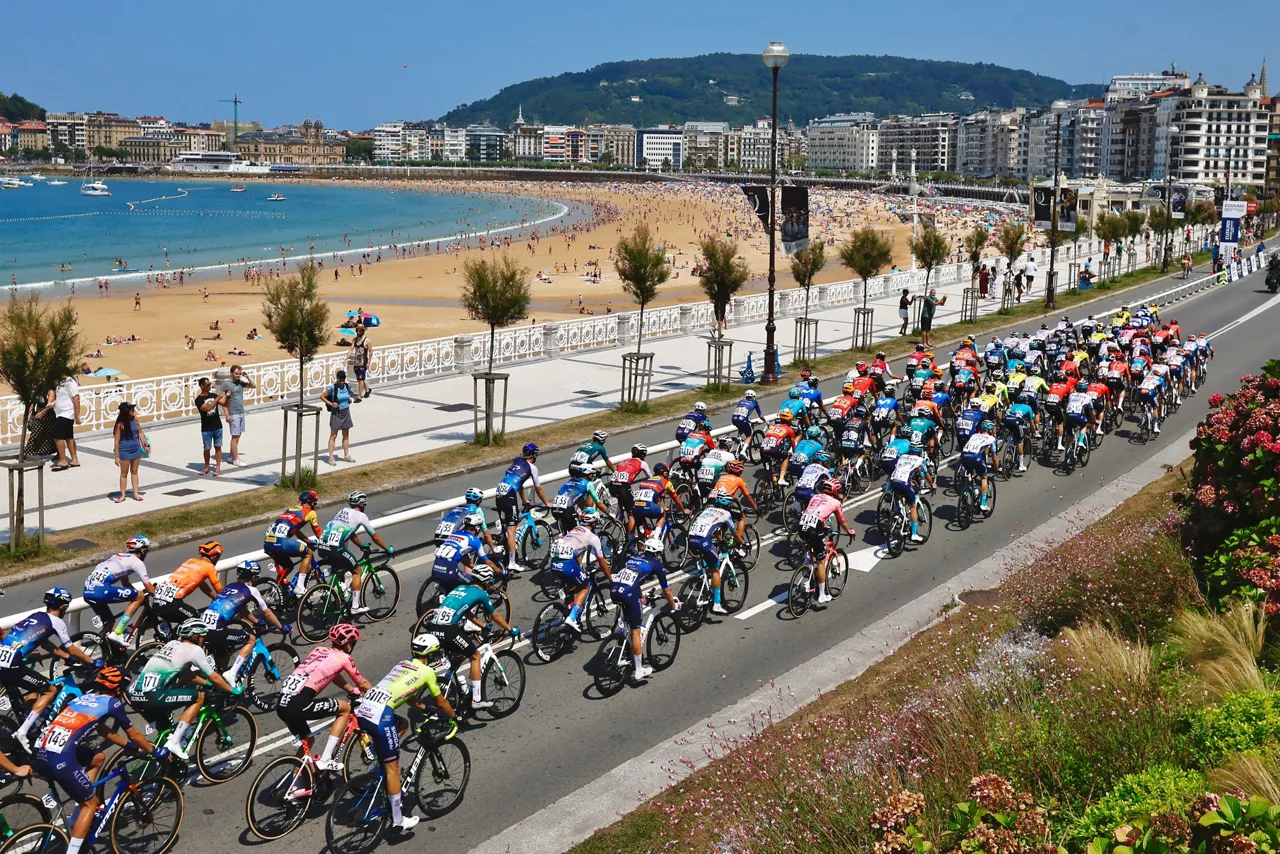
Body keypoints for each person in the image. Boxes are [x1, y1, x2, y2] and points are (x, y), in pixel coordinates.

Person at [33, 667, 164, 854]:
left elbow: (103, 730)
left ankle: (77, 816)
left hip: (42, 752)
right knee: (92, 804)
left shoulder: (83, 698)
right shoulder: (112, 703)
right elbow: (135, 734)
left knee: (97, 758)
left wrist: (126, 746)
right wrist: (154, 751)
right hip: (60, 758)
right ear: (119, 689)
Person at [354, 633, 460, 832]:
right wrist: (454, 716)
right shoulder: (427, 672)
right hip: (380, 716)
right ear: (431, 654)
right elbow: (441, 702)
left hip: (364, 709)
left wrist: (421, 706)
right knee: (393, 768)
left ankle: (378, 767)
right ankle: (398, 819)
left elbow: (406, 691)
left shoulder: (403, 664)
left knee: (401, 724)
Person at [127, 618, 241, 759]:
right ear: (195, 636)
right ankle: (174, 743)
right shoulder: (195, 650)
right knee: (199, 697)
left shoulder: (171, 644)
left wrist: (208, 684)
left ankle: (167, 768)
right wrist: (232, 690)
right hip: (154, 694)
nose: (203, 641)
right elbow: (214, 677)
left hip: (135, 695)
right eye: (202, 637)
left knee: (166, 731)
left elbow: (186, 674)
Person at [1, 588, 101, 745]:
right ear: (62, 607)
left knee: (34, 687)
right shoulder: (57, 622)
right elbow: (72, 647)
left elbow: (44, 642)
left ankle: (29, 720)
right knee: (50, 690)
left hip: (4, 660)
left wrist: (66, 657)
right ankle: (22, 732)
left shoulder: (36, 616)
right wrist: (92, 662)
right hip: (11, 666)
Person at [277, 624, 373, 773]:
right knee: (345, 709)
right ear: (348, 644)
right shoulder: (344, 657)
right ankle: (326, 759)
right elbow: (362, 683)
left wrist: (351, 690)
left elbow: (332, 674)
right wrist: (377, 696)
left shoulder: (319, 650)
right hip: (299, 704)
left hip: (282, 704)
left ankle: (295, 786)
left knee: (307, 741)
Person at [426, 581, 519, 710]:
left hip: (434, 628)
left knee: (459, 654)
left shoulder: (460, 587)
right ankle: (477, 700)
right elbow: (495, 616)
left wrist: (483, 625)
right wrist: (510, 629)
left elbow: (465, 611)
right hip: (449, 630)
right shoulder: (481, 593)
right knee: (475, 655)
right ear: (486, 582)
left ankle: (452, 685)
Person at [203, 560, 289, 685]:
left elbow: (241, 609)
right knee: (251, 639)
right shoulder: (251, 590)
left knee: (224, 654)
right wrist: (281, 627)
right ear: (253, 577)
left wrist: (256, 621)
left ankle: (219, 685)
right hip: (216, 628)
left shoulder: (230, 586)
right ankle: (231, 674)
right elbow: (267, 613)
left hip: (203, 625)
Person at [608, 538, 679, 682]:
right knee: (636, 630)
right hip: (628, 592)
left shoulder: (634, 559)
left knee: (628, 614)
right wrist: (673, 605)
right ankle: (639, 670)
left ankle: (621, 633)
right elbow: (666, 591)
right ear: (657, 553)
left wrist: (641, 596)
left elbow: (634, 579)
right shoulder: (656, 564)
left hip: (614, 590)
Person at [319, 491, 392, 615]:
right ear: (362, 504)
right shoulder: (361, 516)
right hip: (335, 548)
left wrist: (361, 545)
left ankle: (336, 593)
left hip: (322, 546)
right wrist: (386, 548)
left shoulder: (342, 511)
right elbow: (374, 537)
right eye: (365, 504)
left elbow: (351, 533)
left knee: (341, 566)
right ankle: (355, 606)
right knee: (357, 570)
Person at [85, 536, 155, 647]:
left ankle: (107, 650)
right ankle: (118, 632)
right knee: (140, 596)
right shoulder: (137, 562)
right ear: (143, 550)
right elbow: (150, 588)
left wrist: (135, 594)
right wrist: (160, 594)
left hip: (87, 591)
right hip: (101, 590)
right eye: (146, 550)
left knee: (110, 622)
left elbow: (125, 584)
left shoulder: (118, 556)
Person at [549, 509, 611, 632]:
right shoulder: (593, 537)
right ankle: (571, 618)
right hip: (567, 564)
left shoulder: (574, 530)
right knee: (585, 587)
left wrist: (580, 570)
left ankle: (567, 601)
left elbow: (576, 553)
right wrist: (610, 577)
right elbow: (602, 562)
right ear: (593, 523)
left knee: (573, 583)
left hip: (555, 563)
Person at [495, 443, 549, 574]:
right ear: (534, 455)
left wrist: (524, 499)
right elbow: (538, 488)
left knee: (513, 519)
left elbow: (519, 484)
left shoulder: (517, 461)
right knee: (512, 529)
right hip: (509, 495)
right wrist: (546, 502)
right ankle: (512, 563)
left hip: (499, 493)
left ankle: (504, 543)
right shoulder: (532, 468)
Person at [798, 479, 854, 604]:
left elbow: (815, 512)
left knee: (811, 549)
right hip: (814, 528)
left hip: (802, 525)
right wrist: (849, 531)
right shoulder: (835, 502)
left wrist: (823, 526)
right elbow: (842, 521)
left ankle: (806, 566)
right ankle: (822, 595)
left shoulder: (816, 496)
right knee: (821, 562)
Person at [151, 541, 225, 626]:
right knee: (196, 620)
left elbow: (201, 584)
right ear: (215, 557)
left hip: (157, 600)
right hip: (172, 603)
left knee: (185, 623)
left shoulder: (190, 561)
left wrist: (214, 597)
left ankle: (174, 637)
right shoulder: (209, 567)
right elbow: (220, 590)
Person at [265, 491, 324, 596]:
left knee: (288, 566)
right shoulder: (310, 512)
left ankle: (274, 592)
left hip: (268, 542)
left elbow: (295, 530)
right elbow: (317, 532)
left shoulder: (291, 510)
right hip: (282, 542)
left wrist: (308, 541)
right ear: (310, 502)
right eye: (315, 502)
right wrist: (326, 542)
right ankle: (300, 586)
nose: (315, 505)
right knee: (308, 553)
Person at [959, 420, 1000, 510]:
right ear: (990, 430)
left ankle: (965, 495)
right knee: (984, 478)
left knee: (969, 478)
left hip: (964, 456)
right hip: (975, 457)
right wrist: (997, 468)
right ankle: (983, 504)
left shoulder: (974, 435)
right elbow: (994, 457)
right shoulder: (991, 439)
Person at [112, 401, 147, 503]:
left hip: (136, 449)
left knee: (135, 471)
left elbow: (140, 431)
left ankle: (136, 493)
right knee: (124, 473)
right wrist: (117, 456)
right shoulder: (120, 425)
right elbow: (117, 441)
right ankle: (123, 495)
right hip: (124, 451)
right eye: (132, 410)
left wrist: (146, 444)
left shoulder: (135, 419)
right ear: (126, 412)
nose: (134, 411)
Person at [220, 364, 254, 467]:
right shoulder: (226, 384)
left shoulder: (240, 383)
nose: (238, 375)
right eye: (236, 373)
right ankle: (236, 459)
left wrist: (247, 376)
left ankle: (231, 456)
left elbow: (253, 386)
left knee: (238, 435)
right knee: (234, 437)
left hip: (240, 411)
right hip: (233, 412)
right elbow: (222, 401)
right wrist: (226, 414)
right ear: (231, 373)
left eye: (239, 373)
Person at [321, 369, 356, 465]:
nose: (342, 381)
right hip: (336, 413)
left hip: (346, 412)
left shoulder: (347, 386)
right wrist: (331, 404)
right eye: (341, 379)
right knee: (333, 435)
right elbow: (322, 396)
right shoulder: (333, 387)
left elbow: (347, 395)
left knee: (346, 434)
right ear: (337, 379)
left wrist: (349, 400)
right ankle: (331, 457)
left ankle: (346, 455)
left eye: (344, 379)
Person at [195, 376, 228, 476]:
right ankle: (207, 466)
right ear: (202, 386)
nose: (210, 386)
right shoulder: (199, 400)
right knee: (207, 448)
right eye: (208, 385)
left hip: (217, 426)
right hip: (206, 428)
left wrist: (228, 395)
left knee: (218, 447)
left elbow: (223, 402)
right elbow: (208, 408)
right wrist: (217, 398)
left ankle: (217, 467)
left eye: (210, 384)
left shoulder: (213, 395)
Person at [51, 374, 81, 471]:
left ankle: (63, 461)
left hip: (67, 413)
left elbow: (76, 398)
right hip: (60, 413)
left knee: (57, 436)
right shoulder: (60, 383)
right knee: (69, 437)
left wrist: (77, 415)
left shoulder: (70, 382)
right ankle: (74, 460)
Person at [348, 323, 372, 401]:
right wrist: (346, 358)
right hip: (356, 362)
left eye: (360, 331)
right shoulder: (354, 340)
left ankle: (359, 396)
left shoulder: (367, 341)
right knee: (359, 379)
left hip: (363, 362)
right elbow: (351, 349)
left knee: (361, 378)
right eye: (357, 331)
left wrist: (369, 362)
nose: (358, 332)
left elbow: (371, 352)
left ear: (363, 331)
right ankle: (367, 390)